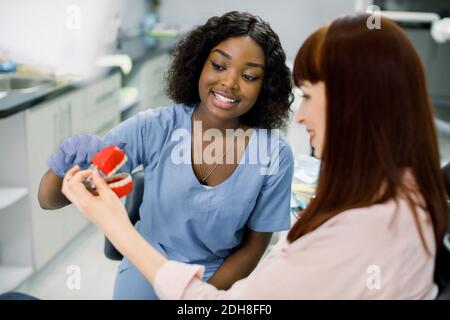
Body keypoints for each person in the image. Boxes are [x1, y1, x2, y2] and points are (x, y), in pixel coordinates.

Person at [61, 13, 449, 299]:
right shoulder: (407, 198)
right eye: (218, 65)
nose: (300, 115)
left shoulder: (356, 229)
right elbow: (54, 190)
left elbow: (233, 303)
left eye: (310, 95)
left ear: (355, 106)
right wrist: (70, 164)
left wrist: (115, 225)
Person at [38, 11, 294, 299]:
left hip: (215, 283)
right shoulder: (155, 127)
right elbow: (49, 200)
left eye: (248, 76)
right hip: (144, 268)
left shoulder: (274, 154)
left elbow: (253, 247)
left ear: (265, 86)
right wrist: (64, 165)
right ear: (199, 65)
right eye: (219, 65)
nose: (230, 82)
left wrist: (195, 297)